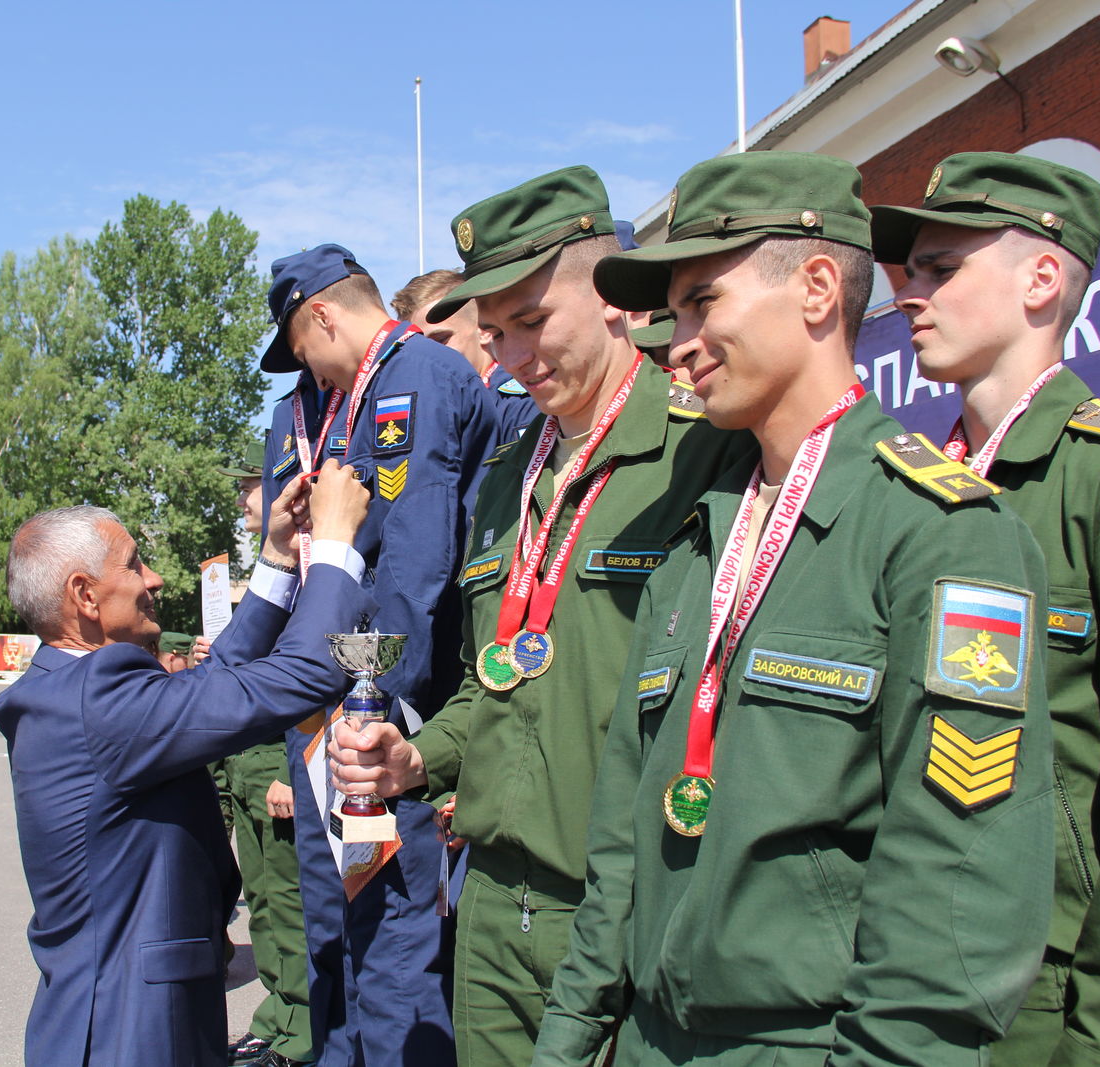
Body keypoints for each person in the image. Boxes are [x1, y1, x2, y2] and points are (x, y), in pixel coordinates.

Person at [531, 151, 1057, 1066]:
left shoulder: (942, 534)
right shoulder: (696, 538)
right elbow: (621, 838)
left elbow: (954, 886)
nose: (677, 340)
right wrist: (571, 1038)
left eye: (703, 302)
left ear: (817, 287)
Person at [329, 165, 750, 1066]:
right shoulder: (508, 477)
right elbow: (501, 681)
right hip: (490, 908)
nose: (512, 356)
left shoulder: (704, 449)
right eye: (495, 332)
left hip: (621, 910)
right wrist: (414, 757)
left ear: (612, 301)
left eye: (533, 321)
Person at [872, 151, 1100, 1066]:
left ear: (1043, 276)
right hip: (894, 979)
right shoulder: (907, 490)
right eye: (907, 270)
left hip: (1045, 1000)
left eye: (940, 267)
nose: (909, 293)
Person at [0, 461, 374, 1067]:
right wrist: (332, 545)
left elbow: (213, 687)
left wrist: (275, 559)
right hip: (135, 1033)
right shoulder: (101, 701)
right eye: (135, 563)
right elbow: (305, 673)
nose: (156, 578)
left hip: (121, 1017)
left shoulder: (69, 689)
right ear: (85, 595)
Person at [256, 242, 507, 1067]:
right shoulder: (317, 408)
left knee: (394, 948)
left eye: (305, 352)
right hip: (324, 723)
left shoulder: (416, 379)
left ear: (323, 314)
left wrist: (376, 705)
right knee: (333, 939)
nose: (312, 375)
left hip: (381, 728)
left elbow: (416, 561)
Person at [215, 435, 317, 1067]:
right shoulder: (268, 560)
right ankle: (278, 1017)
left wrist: (291, 766)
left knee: (290, 901)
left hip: (277, 757)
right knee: (262, 899)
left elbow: (306, 672)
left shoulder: (302, 561)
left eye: (250, 484)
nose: (244, 497)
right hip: (244, 757)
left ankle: (304, 1030)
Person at [392, 268, 538, 437]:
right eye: (419, 346)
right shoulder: (425, 410)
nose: (429, 355)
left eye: (440, 340)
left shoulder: (519, 401)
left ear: (484, 331)